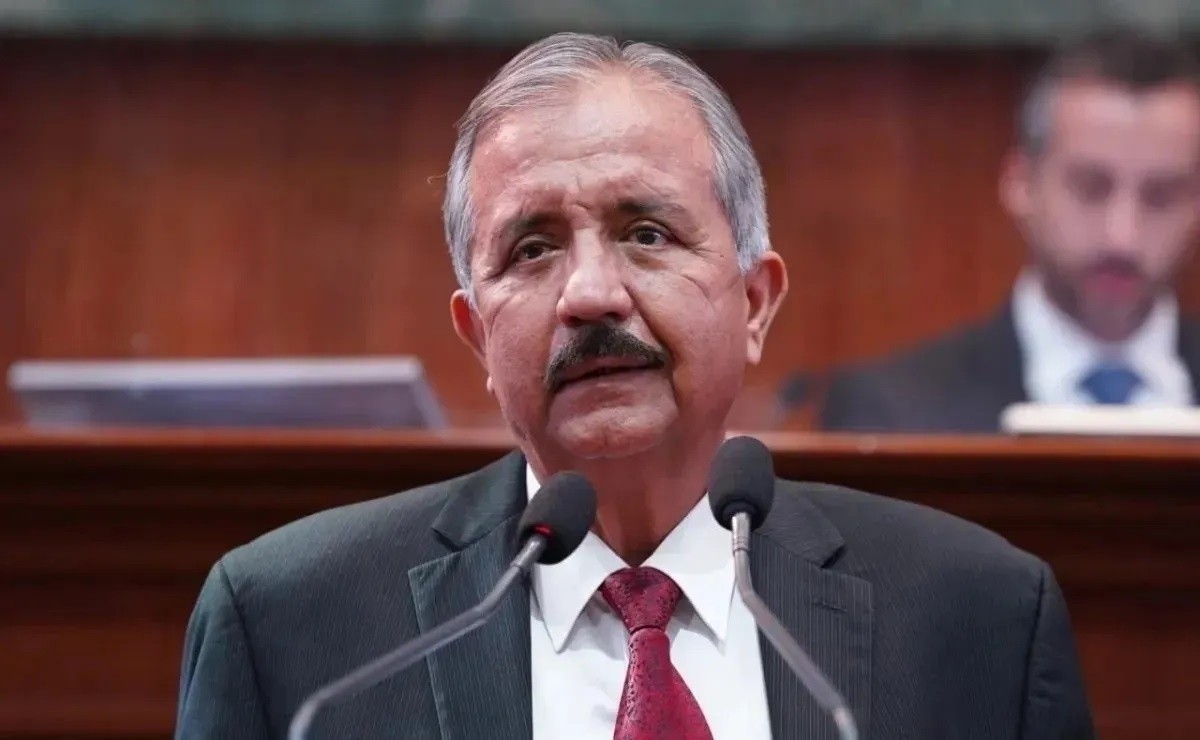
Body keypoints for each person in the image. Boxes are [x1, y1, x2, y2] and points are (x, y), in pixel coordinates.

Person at [176, 33, 1093, 739]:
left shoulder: (976, 619)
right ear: (477, 336)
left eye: (646, 233)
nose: (590, 294)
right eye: (532, 249)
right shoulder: (292, 628)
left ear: (755, 302)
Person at [820, 30, 1200, 433]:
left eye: (1162, 196)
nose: (1122, 237)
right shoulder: (894, 413)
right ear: (1021, 184)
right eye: (1090, 189)